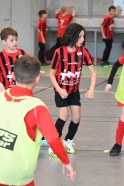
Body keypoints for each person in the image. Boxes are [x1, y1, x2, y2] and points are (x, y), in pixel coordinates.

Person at [0, 55, 76, 186]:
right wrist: (66, 161)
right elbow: (53, 138)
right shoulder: (37, 107)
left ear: (13, 75)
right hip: (19, 169)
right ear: (37, 78)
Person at [48, 23, 97, 156]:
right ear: (73, 36)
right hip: (61, 91)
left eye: (83, 36)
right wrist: (58, 89)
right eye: (80, 36)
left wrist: (91, 89)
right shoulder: (59, 52)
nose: (82, 39)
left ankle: (68, 141)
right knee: (64, 115)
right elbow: (51, 73)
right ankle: (54, 144)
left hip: (74, 91)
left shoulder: (83, 52)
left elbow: (93, 72)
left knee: (77, 116)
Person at [0, 27, 44, 92]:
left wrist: (37, 72)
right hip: (6, 91)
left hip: (21, 90)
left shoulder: (23, 53)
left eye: (16, 39)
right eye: (12, 40)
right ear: (4, 42)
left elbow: (28, 68)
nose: (15, 42)